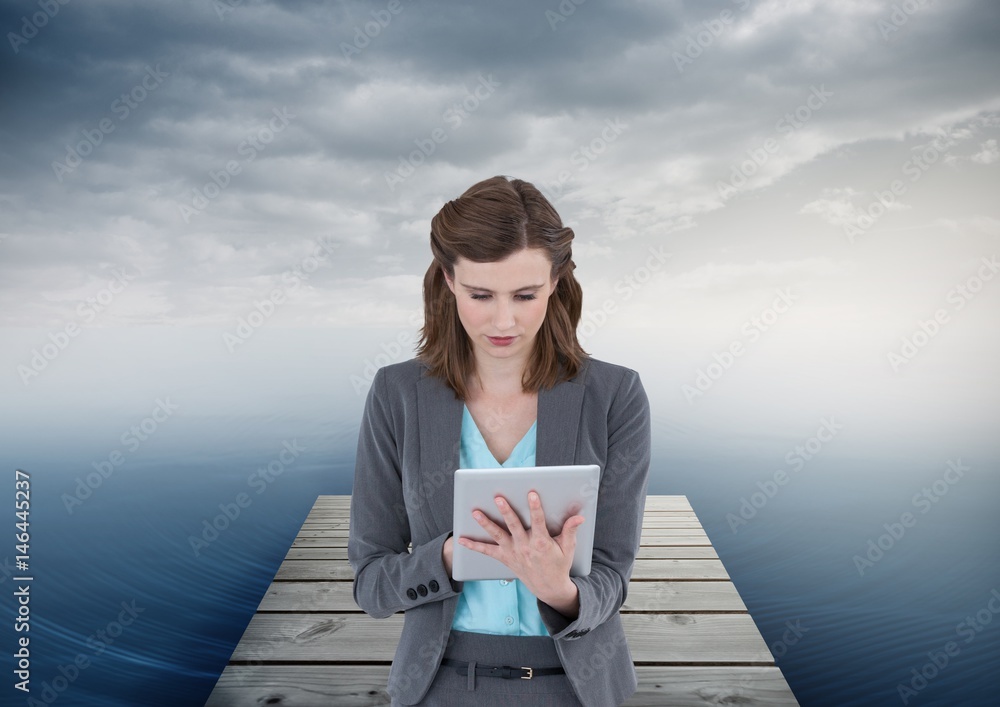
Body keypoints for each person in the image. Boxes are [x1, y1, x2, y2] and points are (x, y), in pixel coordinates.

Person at [348, 175, 651, 706]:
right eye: (481, 294)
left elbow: (614, 573)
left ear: (555, 282)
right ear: (448, 279)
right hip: (437, 683)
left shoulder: (615, 394)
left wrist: (557, 588)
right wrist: (447, 555)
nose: (504, 320)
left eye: (525, 295)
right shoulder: (396, 394)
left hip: (577, 684)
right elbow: (371, 584)